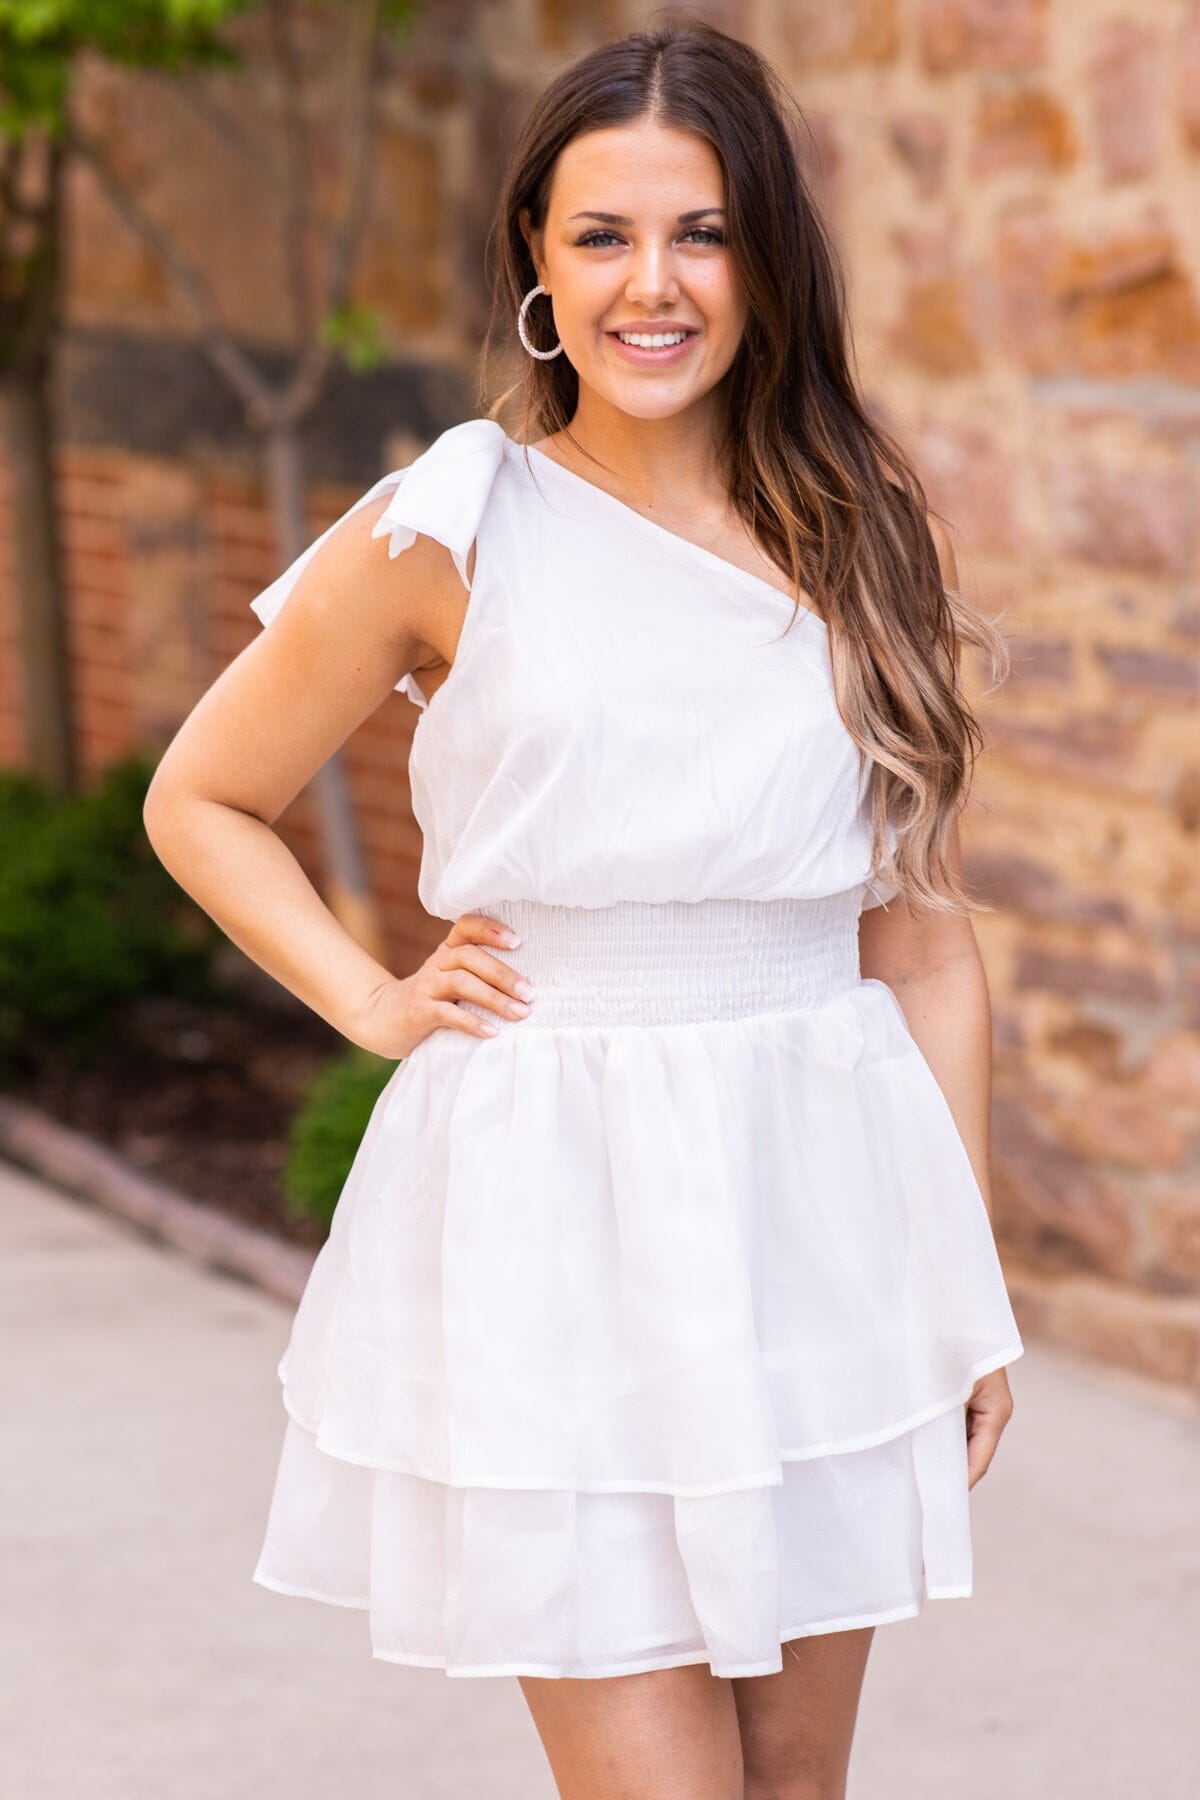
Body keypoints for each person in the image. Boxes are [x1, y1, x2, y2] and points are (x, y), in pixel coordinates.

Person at [143, 17, 1024, 1799]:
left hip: (815, 1207)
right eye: (602, 236)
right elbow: (203, 797)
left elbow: (922, 937)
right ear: (537, 265)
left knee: (794, 1788)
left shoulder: (858, 528)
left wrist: (963, 1273)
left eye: (700, 233)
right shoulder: (451, 527)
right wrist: (372, 1000)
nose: (654, 285)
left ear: (768, 259)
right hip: (558, 1217)